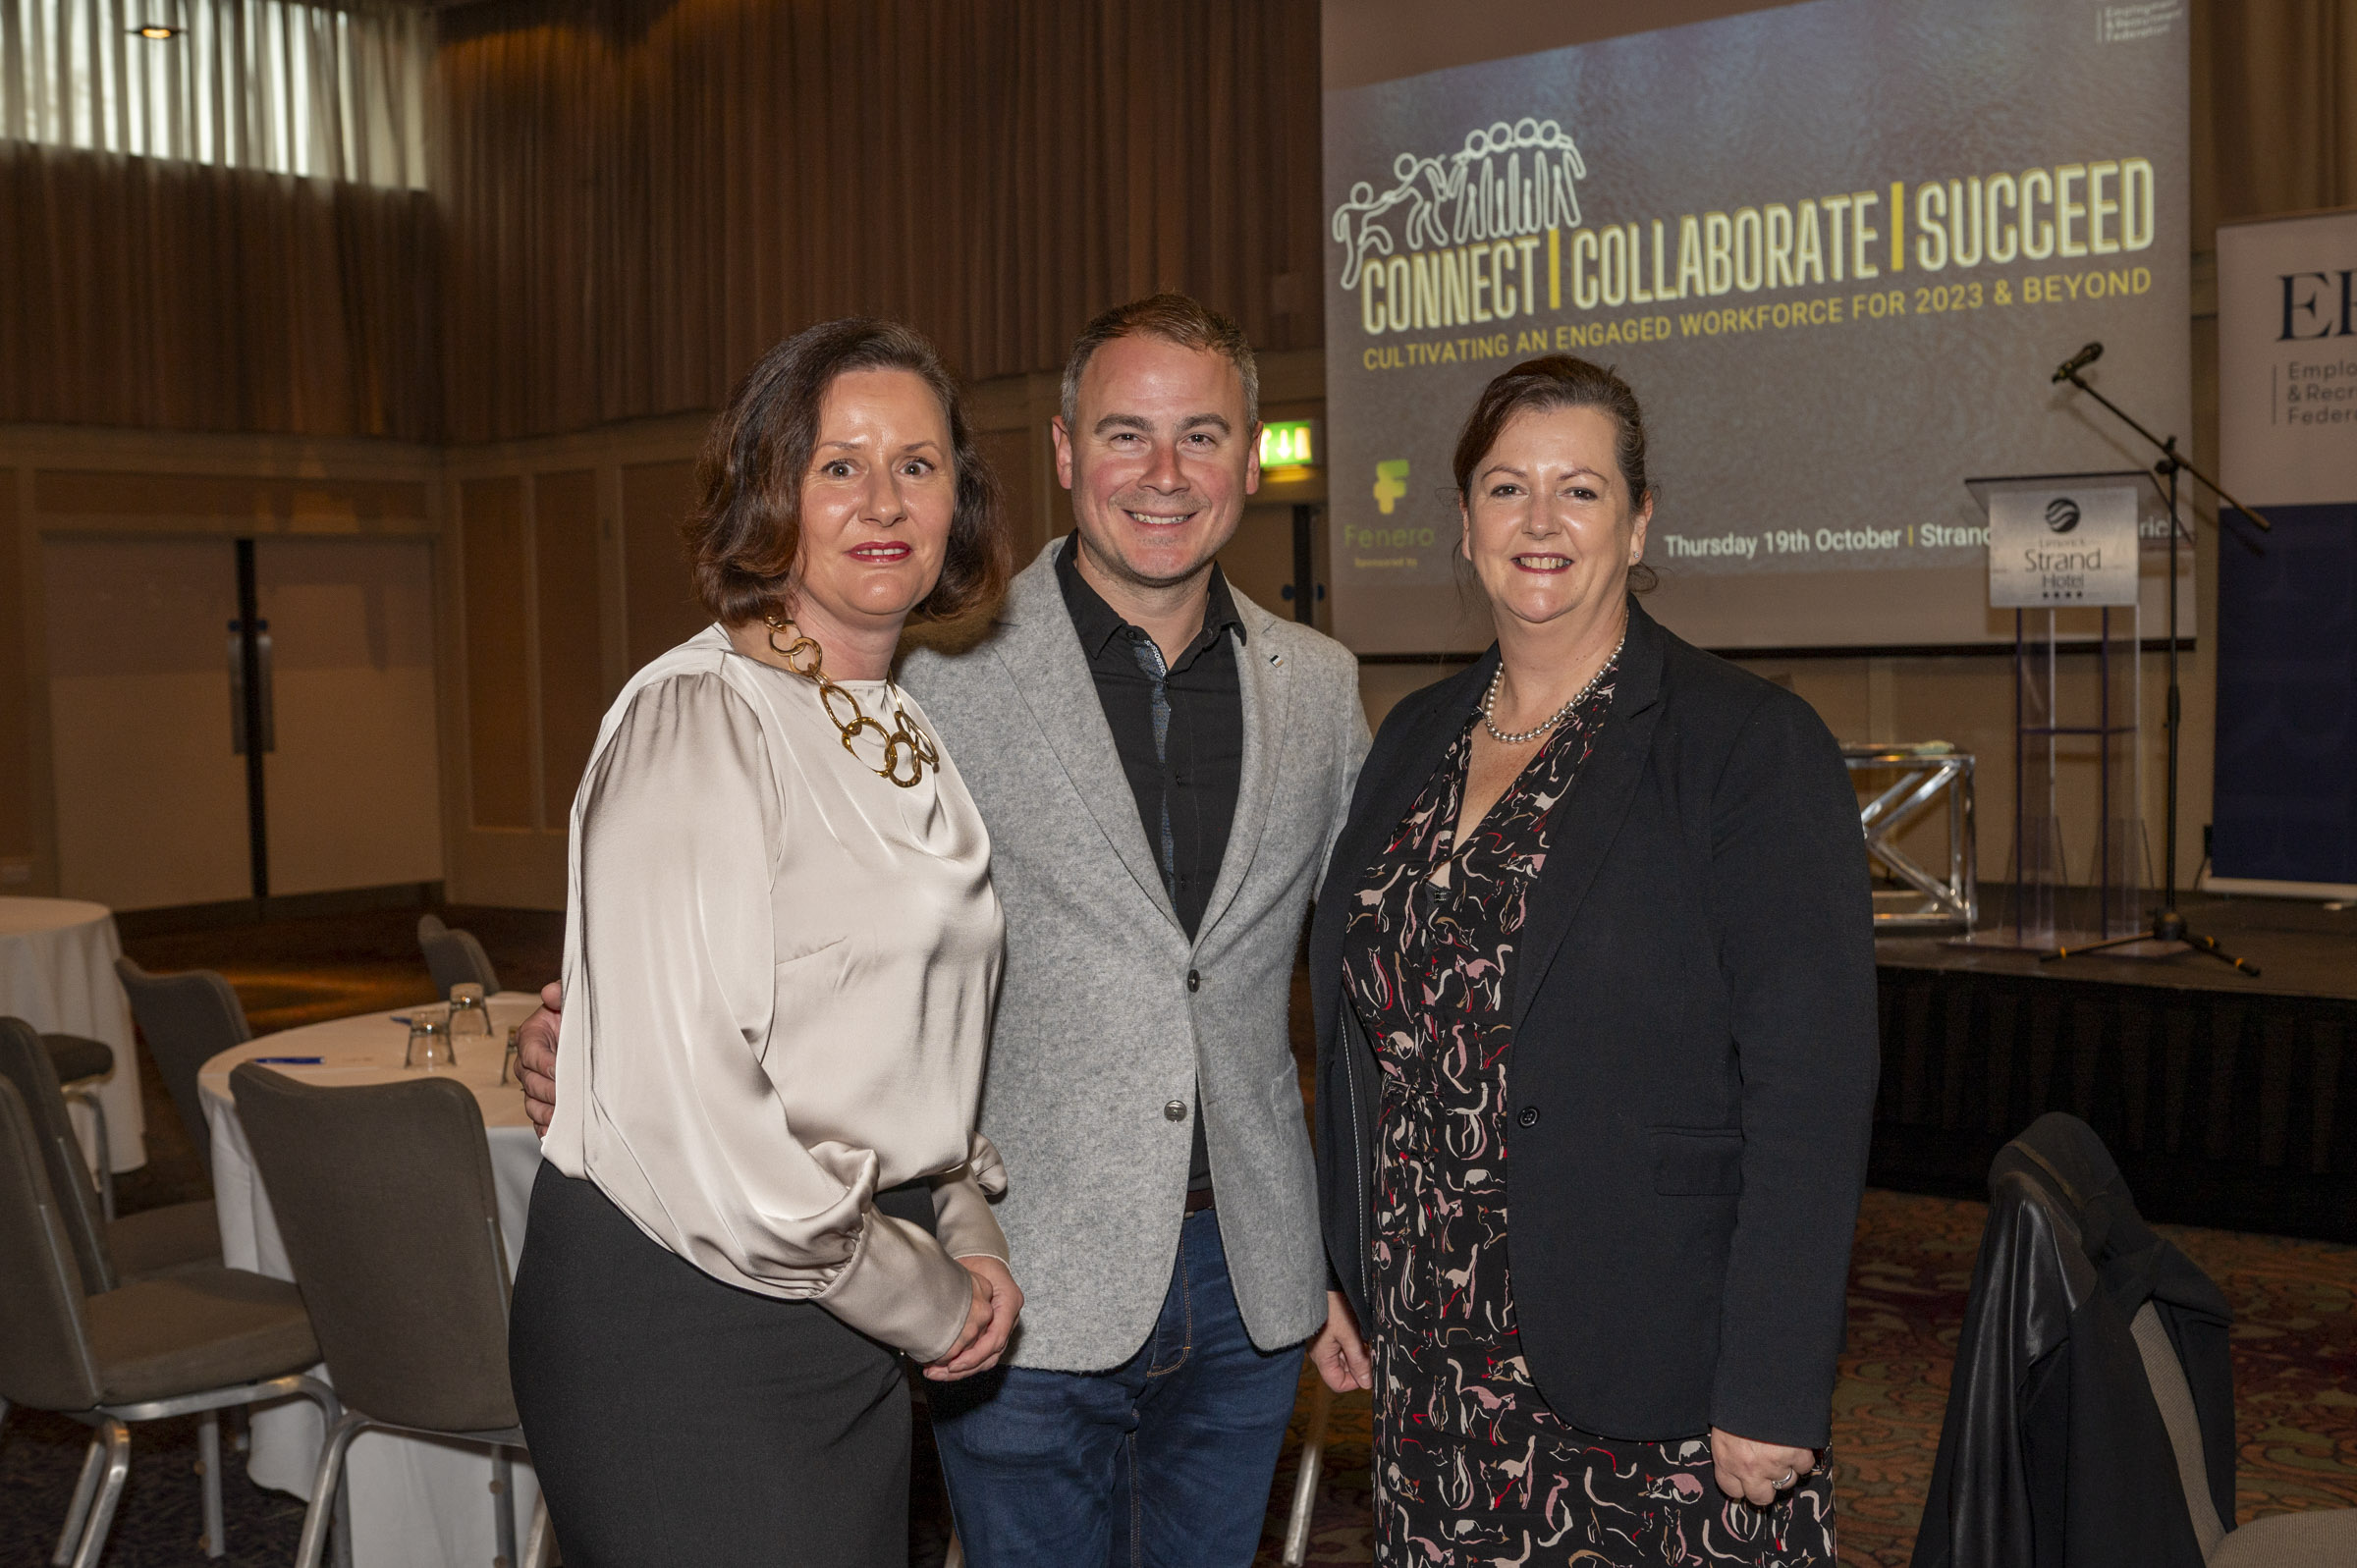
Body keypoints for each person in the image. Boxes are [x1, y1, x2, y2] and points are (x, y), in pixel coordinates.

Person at [520, 293, 1372, 1566]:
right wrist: (592, 1040)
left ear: (1251, 458)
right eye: (1125, 433)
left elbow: (1370, 978)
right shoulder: (919, 670)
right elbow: (697, 979)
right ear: (1064, 451)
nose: (1164, 472)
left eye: (1201, 435)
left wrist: (1344, 1251)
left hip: (1224, 1265)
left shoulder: (1316, 686)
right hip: (1001, 1277)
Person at [1308, 355, 1878, 1566]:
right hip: (1432, 1357)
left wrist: (1774, 1378)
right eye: (1507, 488)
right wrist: (1342, 1262)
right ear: (1466, 522)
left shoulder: (1746, 744)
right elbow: (1369, 1042)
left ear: (1639, 522)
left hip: (1654, 1369)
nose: (1541, 521)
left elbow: (1812, 1091)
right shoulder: (1413, 736)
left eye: (1580, 489)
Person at [506, 318, 1021, 1568]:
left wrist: (967, 1223)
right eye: (838, 464)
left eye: (917, 464)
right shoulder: (700, 718)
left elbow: (894, 1045)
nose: (884, 500)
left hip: (839, 1289)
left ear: (958, 501)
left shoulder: (892, 725)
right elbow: (695, 1110)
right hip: (689, 1320)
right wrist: (926, 1294)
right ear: (768, 492)